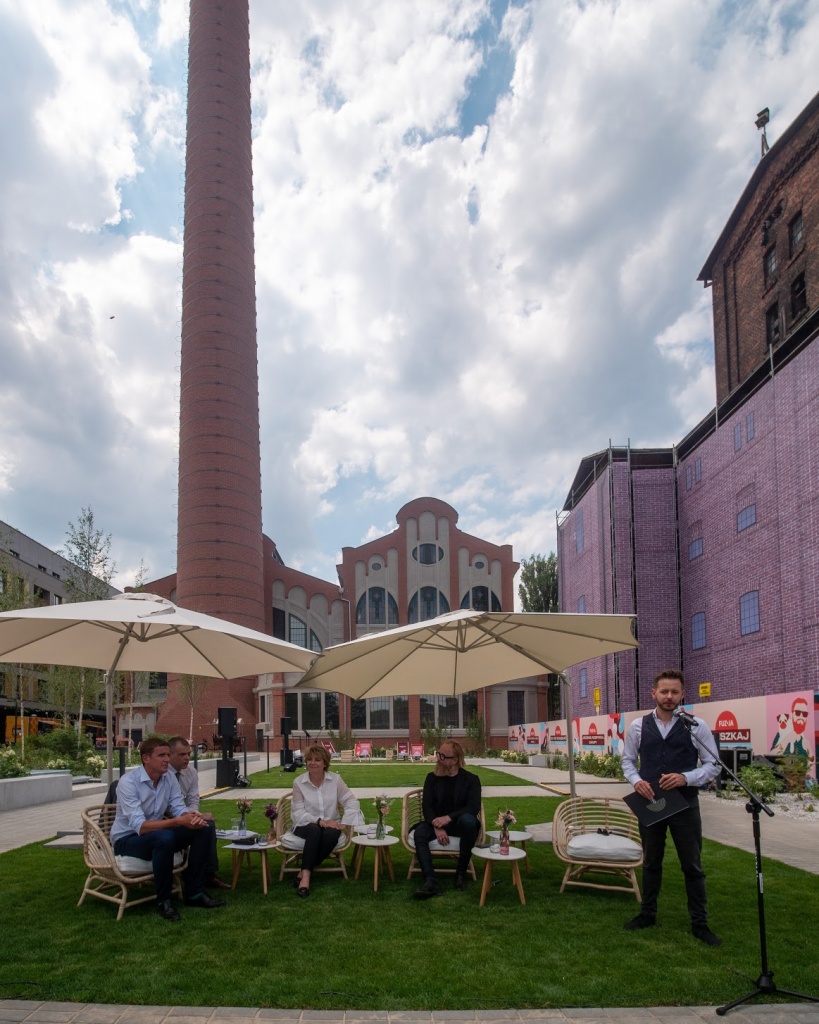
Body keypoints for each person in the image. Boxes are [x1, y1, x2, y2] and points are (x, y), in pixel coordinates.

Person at [622, 669, 722, 945]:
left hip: (685, 804)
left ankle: (700, 923)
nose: (669, 696)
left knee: (692, 864)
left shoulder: (696, 726)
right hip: (651, 801)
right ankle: (647, 914)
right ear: (653, 693)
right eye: (664, 691)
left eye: (674, 692)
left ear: (682, 694)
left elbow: (713, 765)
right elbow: (628, 761)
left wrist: (686, 777)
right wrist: (636, 780)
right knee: (652, 860)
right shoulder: (638, 726)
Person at [109, 736, 226, 921]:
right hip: (128, 840)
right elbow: (140, 827)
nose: (167, 759)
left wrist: (193, 818)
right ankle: (164, 901)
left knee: (204, 829)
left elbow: (178, 808)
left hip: (157, 834)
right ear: (146, 758)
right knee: (165, 837)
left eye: (167, 755)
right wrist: (178, 822)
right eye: (161, 755)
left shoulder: (168, 778)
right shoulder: (128, 782)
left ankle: (195, 892)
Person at [411, 739, 481, 899]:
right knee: (420, 832)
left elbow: (472, 807)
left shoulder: (471, 780)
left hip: (459, 824)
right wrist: (437, 825)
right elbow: (427, 806)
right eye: (438, 754)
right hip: (435, 823)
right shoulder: (432, 778)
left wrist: (448, 818)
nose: (438, 758)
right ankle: (430, 881)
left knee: (469, 821)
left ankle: (460, 874)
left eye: (442, 756)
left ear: (455, 760)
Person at [290, 743, 362, 897]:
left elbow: (351, 802)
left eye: (317, 760)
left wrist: (345, 822)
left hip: (330, 824)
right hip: (304, 824)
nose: (312, 763)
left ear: (325, 763)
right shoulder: (298, 782)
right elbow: (297, 813)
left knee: (331, 834)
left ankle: (302, 872)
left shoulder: (335, 780)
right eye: (309, 759)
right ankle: (306, 879)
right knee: (315, 830)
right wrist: (320, 821)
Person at [167, 735, 230, 890]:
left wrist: (194, 814)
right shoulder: (163, 774)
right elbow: (168, 806)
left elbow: (193, 799)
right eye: (182, 755)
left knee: (207, 825)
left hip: (184, 815)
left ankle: (208, 874)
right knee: (205, 824)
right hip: (166, 818)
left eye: (188, 754)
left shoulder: (191, 772)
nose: (187, 758)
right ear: (170, 755)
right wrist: (197, 816)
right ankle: (202, 876)